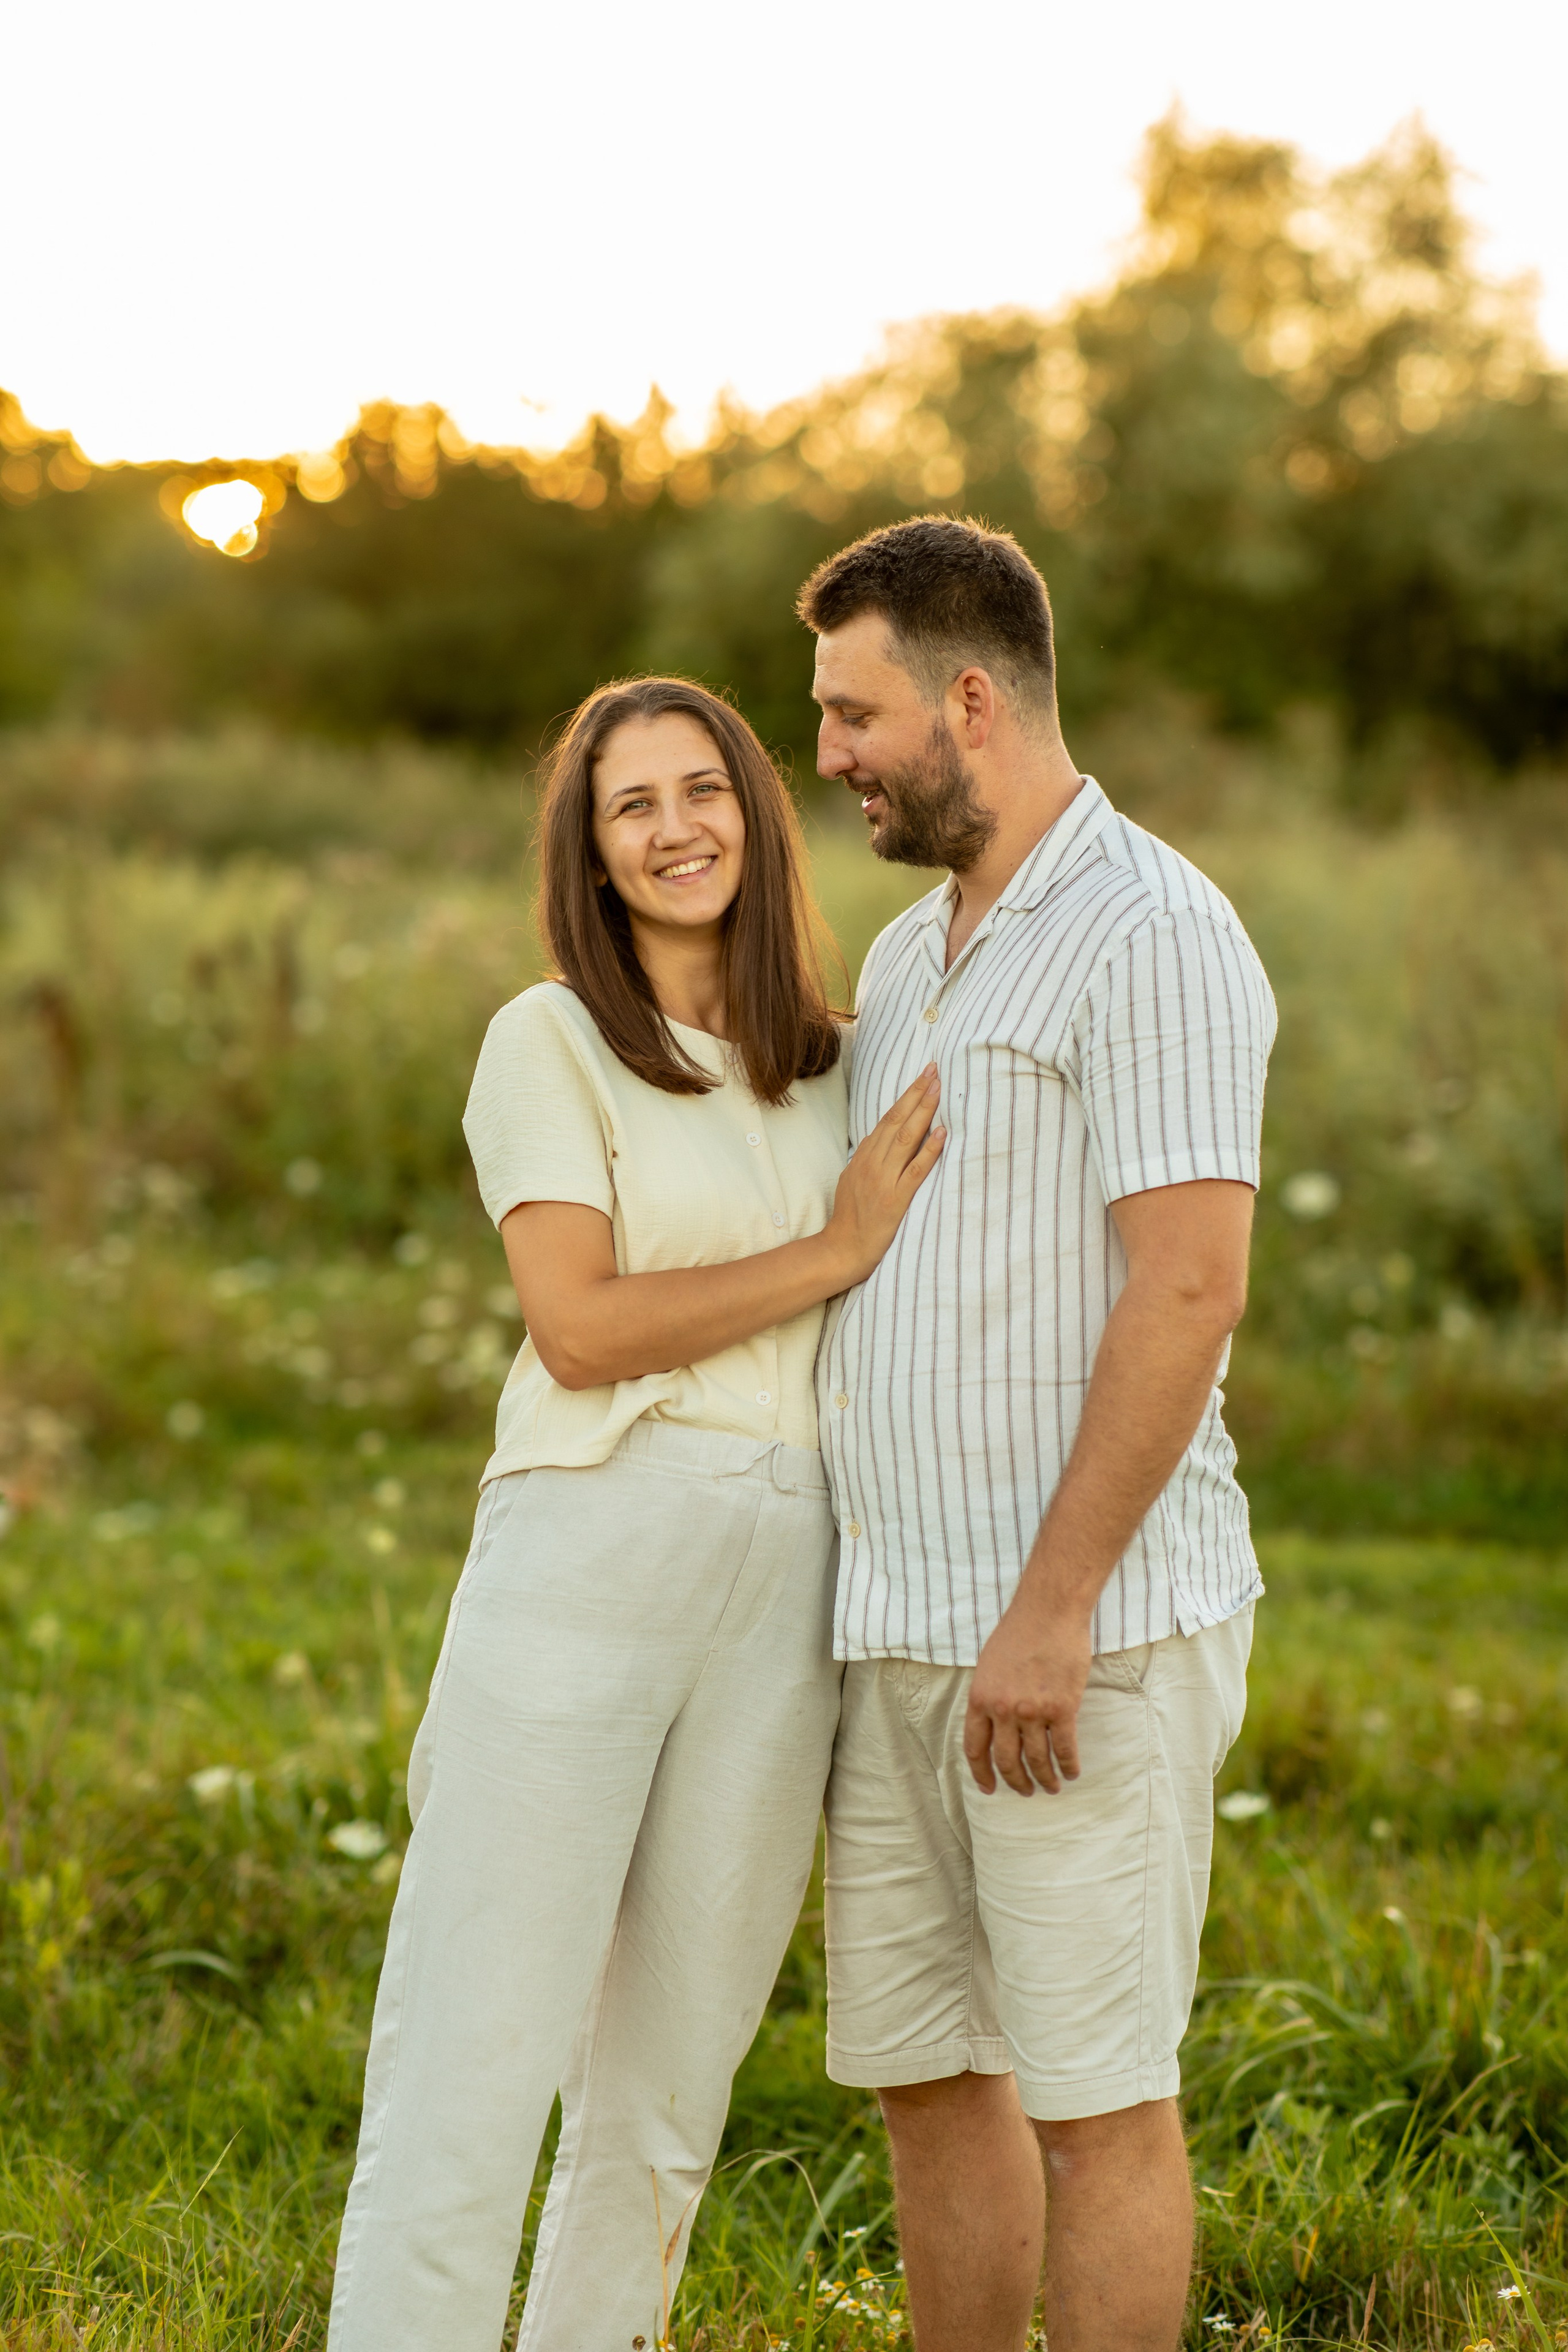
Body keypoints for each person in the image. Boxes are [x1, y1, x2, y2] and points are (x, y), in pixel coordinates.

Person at [327, 676, 945, 2352]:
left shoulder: (842, 1064)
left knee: (671, 2089)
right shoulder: (551, 1041)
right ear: (591, 855)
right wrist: (833, 1249)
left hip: (793, 1570)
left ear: (756, 809)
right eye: (632, 806)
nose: (677, 830)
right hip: (593, 1542)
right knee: (476, 2055)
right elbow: (581, 1327)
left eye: (704, 790)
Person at [798, 519, 1278, 2352]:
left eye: (856, 715)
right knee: (932, 2077)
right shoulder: (916, 950)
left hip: (1079, 1640)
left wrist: (1055, 1608)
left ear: (971, 701)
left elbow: (1191, 1288)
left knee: (1096, 2102)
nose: (830, 754)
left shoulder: (1154, 932)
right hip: (901, 1628)